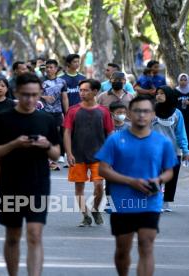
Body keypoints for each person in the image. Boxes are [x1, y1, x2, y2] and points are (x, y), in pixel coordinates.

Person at [0, 73, 61, 276]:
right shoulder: (2, 119)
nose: (30, 100)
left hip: (38, 183)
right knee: (13, 235)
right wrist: (14, 144)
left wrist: (46, 146)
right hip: (10, 183)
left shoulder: (46, 119)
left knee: (35, 234)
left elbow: (56, 153)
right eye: (26, 94)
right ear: (17, 92)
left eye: (35, 95)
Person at [95, 96, 177, 276]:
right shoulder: (115, 140)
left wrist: (159, 180)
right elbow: (103, 170)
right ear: (130, 114)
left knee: (146, 246)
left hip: (151, 202)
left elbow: (169, 171)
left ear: (153, 114)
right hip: (123, 203)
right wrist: (131, 181)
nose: (141, 115)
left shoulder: (162, 142)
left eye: (146, 111)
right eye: (137, 111)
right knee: (123, 250)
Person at [64, 79, 114, 227]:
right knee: (79, 188)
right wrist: (69, 153)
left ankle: (95, 209)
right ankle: (85, 215)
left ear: (95, 92)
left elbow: (110, 133)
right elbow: (67, 132)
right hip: (77, 155)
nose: (82, 93)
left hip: (99, 156)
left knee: (99, 186)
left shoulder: (103, 111)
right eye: (80, 90)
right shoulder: (73, 110)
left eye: (85, 90)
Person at [152, 86, 189, 212]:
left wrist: (185, 151)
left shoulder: (177, 113)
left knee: (171, 178)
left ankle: (166, 202)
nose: (159, 96)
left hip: (173, 151)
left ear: (168, 95)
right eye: (157, 93)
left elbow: (181, 133)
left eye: (162, 93)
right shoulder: (150, 111)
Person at [41, 59, 67, 170]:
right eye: (47, 67)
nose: (48, 69)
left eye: (51, 67)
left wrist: (67, 113)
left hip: (57, 112)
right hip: (43, 112)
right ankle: (45, 160)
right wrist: (44, 97)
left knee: (54, 136)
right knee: (44, 135)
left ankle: (52, 161)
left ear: (56, 69)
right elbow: (32, 94)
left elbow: (64, 98)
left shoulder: (62, 82)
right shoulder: (40, 81)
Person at [176, 73, 189, 139]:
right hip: (179, 115)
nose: (183, 82)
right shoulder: (175, 91)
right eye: (181, 80)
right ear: (178, 80)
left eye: (185, 80)